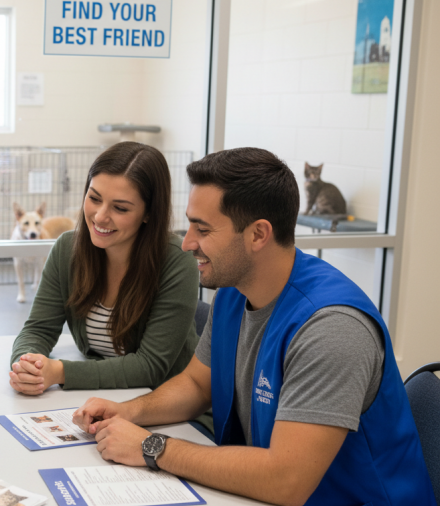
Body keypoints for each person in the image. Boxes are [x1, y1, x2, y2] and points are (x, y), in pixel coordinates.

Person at [73, 148, 435, 506]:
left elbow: (286, 481)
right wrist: (129, 412)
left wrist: (151, 447)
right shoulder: (234, 292)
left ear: (258, 235)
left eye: (203, 229)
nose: (187, 243)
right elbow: (197, 384)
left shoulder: (332, 328)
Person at [9, 142, 200, 397]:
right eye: (94, 198)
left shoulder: (176, 260)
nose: (99, 216)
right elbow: (38, 329)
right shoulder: (67, 248)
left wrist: (60, 372)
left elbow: (150, 366)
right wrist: (27, 364)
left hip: (167, 408)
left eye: (120, 208)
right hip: (104, 399)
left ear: (149, 213)